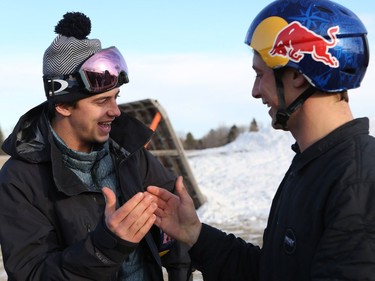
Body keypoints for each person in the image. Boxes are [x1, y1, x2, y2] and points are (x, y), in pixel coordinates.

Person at [147, 0, 375, 280]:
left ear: (297, 76)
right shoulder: (314, 165)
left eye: (260, 74)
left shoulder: (357, 183)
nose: (255, 91)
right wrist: (194, 232)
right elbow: (271, 271)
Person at [0, 12, 192, 281]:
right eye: (101, 102)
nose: (115, 111)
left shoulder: (130, 153)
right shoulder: (21, 179)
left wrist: (179, 272)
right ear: (63, 105)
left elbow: (175, 231)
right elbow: (31, 274)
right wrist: (105, 247)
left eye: (116, 98)